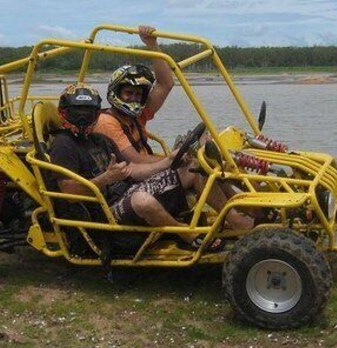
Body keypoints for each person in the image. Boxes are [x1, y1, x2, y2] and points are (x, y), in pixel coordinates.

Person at [47, 85, 252, 249]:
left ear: (96, 113)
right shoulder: (63, 145)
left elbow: (132, 170)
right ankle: (186, 233)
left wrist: (168, 162)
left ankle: (237, 221)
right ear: (65, 113)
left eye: (88, 112)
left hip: (126, 193)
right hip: (106, 211)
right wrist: (106, 179)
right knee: (143, 200)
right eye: (77, 112)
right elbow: (67, 189)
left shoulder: (100, 140)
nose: (83, 118)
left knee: (195, 168)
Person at [94, 25, 174, 163]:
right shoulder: (107, 122)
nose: (133, 98)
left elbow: (166, 84)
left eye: (138, 94)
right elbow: (135, 161)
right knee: (192, 171)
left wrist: (152, 44)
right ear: (116, 92)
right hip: (130, 178)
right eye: (128, 93)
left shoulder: (137, 117)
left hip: (147, 170)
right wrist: (173, 160)